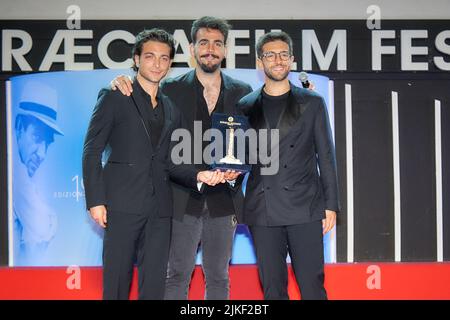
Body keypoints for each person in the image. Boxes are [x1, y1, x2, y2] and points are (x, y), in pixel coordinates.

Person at [111, 16, 252, 300]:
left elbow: (253, 142)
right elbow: (151, 129)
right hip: (180, 195)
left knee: (219, 275)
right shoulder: (170, 90)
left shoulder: (243, 92)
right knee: (175, 273)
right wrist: (119, 81)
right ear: (192, 48)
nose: (210, 49)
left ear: (225, 50)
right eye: (203, 42)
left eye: (217, 43)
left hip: (224, 197)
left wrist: (239, 170)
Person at [82, 28, 225, 300]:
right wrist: (95, 200)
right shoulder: (114, 95)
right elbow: (91, 150)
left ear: (170, 64)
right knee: (116, 283)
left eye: (164, 58)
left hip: (160, 209)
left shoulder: (171, 107)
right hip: (121, 205)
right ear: (136, 59)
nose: (157, 64)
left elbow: (170, 162)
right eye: (150, 57)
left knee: (155, 285)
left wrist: (200, 176)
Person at [237, 31, 339, 300]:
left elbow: (325, 155)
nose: (277, 60)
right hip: (263, 209)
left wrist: (331, 205)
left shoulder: (312, 102)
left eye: (283, 54)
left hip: (305, 206)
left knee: (312, 286)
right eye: (270, 55)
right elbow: (241, 159)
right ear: (260, 62)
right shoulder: (245, 106)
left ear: (292, 60)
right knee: (272, 288)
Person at [13, 81, 63, 265]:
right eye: (36, 137)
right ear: (19, 127)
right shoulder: (15, 174)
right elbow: (42, 226)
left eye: (47, 143)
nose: (42, 154)